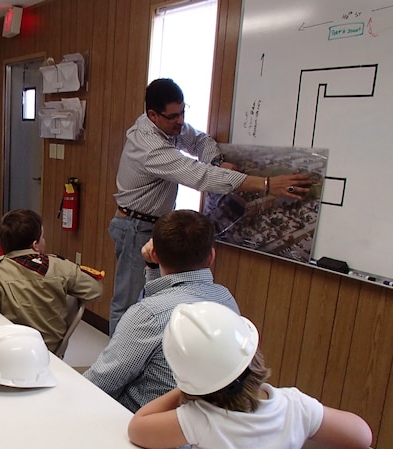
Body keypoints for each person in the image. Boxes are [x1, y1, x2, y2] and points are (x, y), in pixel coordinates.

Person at [107, 78, 313, 335]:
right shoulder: (149, 146)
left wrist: (215, 159)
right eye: (173, 116)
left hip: (154, 226)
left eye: (183, 112)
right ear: (152, 115)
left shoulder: (168, 127)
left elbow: (199, 141)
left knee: (155, 302)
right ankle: (116, 364)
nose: (180, 121)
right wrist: (267, 184)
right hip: (135, 228)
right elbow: (198, 176)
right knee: (128, 304)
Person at [127, 301, 373, 449]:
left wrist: (186, 387)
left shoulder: (201, 419)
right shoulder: (297, 407)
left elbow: (138, 428)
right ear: (254, 352)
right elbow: (362, 436)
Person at [84, 209, 238, 413]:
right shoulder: (225, 299)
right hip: (199, 423)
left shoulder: (148, 314)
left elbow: (102, 381)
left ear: (154, 253)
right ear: (211, 256)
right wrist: (153, 268)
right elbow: (168, 296)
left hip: (141, 423)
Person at [0, 209, 103, 352]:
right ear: (35, 244)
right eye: (43, 237)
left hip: (9, 349)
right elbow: (95, 291)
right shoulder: (60, 266)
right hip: (49, 350)